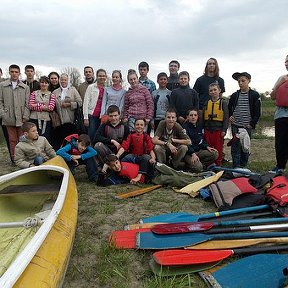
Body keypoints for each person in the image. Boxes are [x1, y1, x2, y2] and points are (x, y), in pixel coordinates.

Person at [228, 72, 261, 168]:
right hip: (235, 125)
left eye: (243, 81)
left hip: (247, 126)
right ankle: (236, 166)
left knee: (245, 146)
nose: (241, 83)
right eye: (239, 81)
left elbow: (258, 112)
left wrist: (252, 123)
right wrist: (230, 116)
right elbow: (229, 107)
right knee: (235, 146)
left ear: (249, 81)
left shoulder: (254, 95)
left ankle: (243, 165)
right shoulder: (234, 95)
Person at [0, 64, 30, 162]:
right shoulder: (2, 85)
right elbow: (0, 101)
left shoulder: (25, 87)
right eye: (12, 72)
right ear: (9, 72)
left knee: (23, 139)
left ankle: (24, 158)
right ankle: (15, 159)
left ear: (19, 73)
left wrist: (25, 115)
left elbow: (27, 103)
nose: (14, 74)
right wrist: (3, 115)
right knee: (12, 140)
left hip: (22, 118)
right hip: (9, 117)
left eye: (16, 72)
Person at [116, 118, 156, 184]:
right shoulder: (131, 135)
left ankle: (139, 177)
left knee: (146, 158)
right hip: (133, 157)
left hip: (143, 157)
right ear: (134, 126)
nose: (139, 126)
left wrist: (153, 158)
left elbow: (151, 149)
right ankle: (125, 176)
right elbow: (124, 147)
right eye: (137, 124)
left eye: (141, 125)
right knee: (122, 160)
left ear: (144, 126)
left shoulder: (146, 137)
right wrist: (117, 155)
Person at [52, 73, 82, 150]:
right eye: (61, 80)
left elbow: (80, 102)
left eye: (65, 80)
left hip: (71, 120)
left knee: (70, 139)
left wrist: (69, 104)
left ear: (68, 80)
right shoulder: (55, 92)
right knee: (60, 139)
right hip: (59, 120)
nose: (63, 81)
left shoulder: (73, 90)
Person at [183, 108, 218, 172]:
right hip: (189, 153)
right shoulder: (184, 127)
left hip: (198, 151)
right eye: (191, 115)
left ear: (197, 117)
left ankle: (201, 166)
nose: (193, 117)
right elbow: (185, 144)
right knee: (198, 168)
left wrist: (207, 146)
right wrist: (193, 154)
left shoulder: (200, 126)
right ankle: (188, 166)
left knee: (215, 153)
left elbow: (201, 141)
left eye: (195, 115)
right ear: (187, 117)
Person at [203, 83, 229, 166]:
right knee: (209, 148)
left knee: (218, 148)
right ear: (209, 92)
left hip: (218, 130)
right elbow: (203, 116)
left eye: (215, 90)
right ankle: (209, 164)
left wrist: (224, 130)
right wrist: (203, 129)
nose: (213, 92)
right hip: (207, 129)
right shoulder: (207, 102)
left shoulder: (223, 102)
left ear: (219, 91)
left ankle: (218, 165)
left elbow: (226, 117)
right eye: (211, 90)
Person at [270, 55, 288, 173]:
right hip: (281, 114)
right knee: (280, 142)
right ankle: (280, 166)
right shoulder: (281, 78)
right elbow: (272, 96)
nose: (286, 63)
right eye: (286, 61)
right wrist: (278, 85)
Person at [28, 76, 56, 142]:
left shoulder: (52, 95)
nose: (44, 84)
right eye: (42, 82)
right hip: (34, 119)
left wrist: (37, 105)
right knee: (33, 138)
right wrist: (43, 106)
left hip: (45, 120)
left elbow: (51, 108)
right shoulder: (34, 93)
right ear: (40, 83)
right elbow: (30, 105)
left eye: (46, 83)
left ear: (48, 84)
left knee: (44, 139)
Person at [83, 68, 107, 140]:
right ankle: (90, 150)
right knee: (91, 135)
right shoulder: (91, 87)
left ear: (106, 77)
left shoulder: (106, 89)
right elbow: (86, 102)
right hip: (92, 115)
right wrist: (85, 118)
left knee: (99, 136)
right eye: (100, 76)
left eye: (103, 76)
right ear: (96, 76)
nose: (102, 77)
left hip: (101, 116)